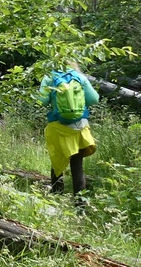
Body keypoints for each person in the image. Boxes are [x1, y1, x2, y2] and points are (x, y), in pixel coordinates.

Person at [38, 65, 99, 195]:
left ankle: (56, 195)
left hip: (58, 127)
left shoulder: (49, 78)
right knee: (77, 166)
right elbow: (94, 99)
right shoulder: (80, 77)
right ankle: (80, 204)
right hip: (80, 127)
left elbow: (41, 101)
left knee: (57, 161)